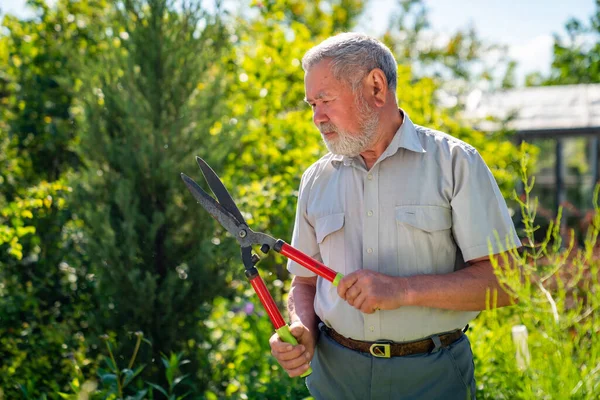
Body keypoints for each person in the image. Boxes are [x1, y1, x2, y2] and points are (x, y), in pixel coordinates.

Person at [269, 32, 520, 400]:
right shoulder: (316, 179)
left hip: (433, 377)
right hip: (335, 378)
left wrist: (402, 290)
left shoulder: (455, 163)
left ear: (375, 87)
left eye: (324, 100)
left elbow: (506, 282)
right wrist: (300, 325)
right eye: (312, 105)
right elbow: (304, 283)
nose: (316, 117)